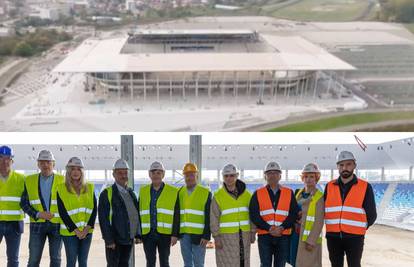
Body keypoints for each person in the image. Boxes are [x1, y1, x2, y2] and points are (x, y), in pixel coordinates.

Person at [325, 151, 377, 267]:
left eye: (348, 164)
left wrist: (359, 229)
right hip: (333, 237)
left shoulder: (365, 186)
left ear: (354, 165)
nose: (345, 168)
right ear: (337, 167)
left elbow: (372, 215)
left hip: (355, 238)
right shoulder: (329, 186)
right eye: (341, 165)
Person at [249, 162, 299, 267]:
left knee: (280, 265)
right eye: (269, 173)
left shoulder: (289, 192)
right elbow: (254, 215)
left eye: (275, 173)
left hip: (283, 235)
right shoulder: (258, 193)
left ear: (280, 176)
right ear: (265, 176)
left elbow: (293, 213)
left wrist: (282, 227)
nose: (272, 175)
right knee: (265, 264)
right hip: (264, 235)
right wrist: (269, 228)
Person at [21, 150, 64, 267]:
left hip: (56, 224)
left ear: (53, 164)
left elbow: (67, 204)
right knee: (33, 260)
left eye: (48, 162)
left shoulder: (63, 180)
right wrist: (38, 214)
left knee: (56, 260)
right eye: (42, 162)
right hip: (37, 225)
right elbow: (24, 203)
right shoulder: (29, 180)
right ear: (38, 164)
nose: (45, 165)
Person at [210, 163, 256, 267]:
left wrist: (253, 232)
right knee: (226, 263)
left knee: (243, 262)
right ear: (223, 177)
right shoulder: (218, 196)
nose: (229, 178)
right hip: (225, 237)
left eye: (232, 175)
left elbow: (252, 215)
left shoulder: (247, 195)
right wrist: (216, 237)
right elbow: (213, 218)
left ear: (237, 176)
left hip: (244, 235)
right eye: (226, 176)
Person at [99, 159, 141, 267]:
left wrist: (137, 234)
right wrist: (109, 240)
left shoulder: (131, 193)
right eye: (120, 173)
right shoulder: (107, 193)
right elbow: (103, 219)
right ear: (114, 174)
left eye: (125, 173)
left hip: (128, 239)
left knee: (124, 264)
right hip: (115, 241)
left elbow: (135, 215)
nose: (123, 176)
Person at [57, 157, 97, 267]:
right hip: (69, 233)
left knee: (83, 262)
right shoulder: (60, 188)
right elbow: (63, 213)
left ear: (82, 171)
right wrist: (76, 231)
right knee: (71, 262)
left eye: (78, 169)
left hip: (86, 232)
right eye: (72, 169)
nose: (75, 172)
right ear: (68, 171)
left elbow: (94, 210)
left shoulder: (90, 187)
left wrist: (86, 229)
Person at [138, 161, 180, 267]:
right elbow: (139, 213)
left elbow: (176, 215)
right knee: (150, 262)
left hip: (165, 234)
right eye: (153, 172)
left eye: (159, 172)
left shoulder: (173, 191)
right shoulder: (143, 191)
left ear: (163, 174)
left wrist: (175, 234)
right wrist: (138, 233)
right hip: (148, 234)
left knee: (164, 262)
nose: (156, 175)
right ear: (149, 174)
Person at [178, 163, 211, 267]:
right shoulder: (180, 192)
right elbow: (177, 215)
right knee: (187, 263)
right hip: (184, 235)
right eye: (187, 175)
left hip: (199, 235)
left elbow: (209, 216)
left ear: (196, 175)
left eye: (192, 175)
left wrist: (206, 235)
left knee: (199, 263)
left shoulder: (205, 192)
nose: (189, 178)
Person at [294, 163, 324, 267]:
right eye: (306, 176)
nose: (308, 179)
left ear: (317, 178)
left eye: (312, 176)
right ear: (302, 178)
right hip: (296, 236)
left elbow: (319, 221)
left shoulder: (319, 197)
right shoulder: (298, 194)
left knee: (310, 264)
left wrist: (311, 241)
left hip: (309, 239)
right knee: (297, 263)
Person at [0, 145, 25, 267]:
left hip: (14, 225)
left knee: (13, 259)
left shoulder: (21, 179)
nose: (4, 161)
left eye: (8, 158)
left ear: (12, 160)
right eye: (1, 157)